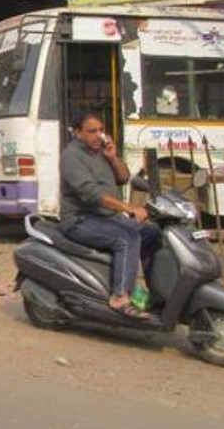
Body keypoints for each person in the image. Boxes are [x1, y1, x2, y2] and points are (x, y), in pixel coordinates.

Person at [58, 111, 160, 320]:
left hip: (105, 218)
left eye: (101, 130)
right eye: (92, 131)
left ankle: (153, 292)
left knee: (153, 233)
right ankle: (120, 297)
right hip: (80, 219)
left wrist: (113, 158)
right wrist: (128, 208)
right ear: (78, 132)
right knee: (127, 236)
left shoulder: (101, 152)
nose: (98, 135)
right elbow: (91, 194)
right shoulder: (71, 156)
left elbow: (123, 177)